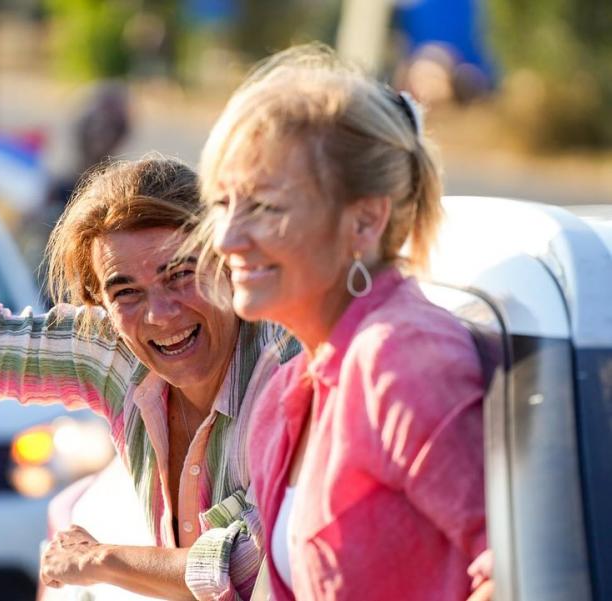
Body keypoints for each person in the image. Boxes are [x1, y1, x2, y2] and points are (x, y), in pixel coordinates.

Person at [0, 154, 297, 600]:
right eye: (126, 291)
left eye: (181, 274)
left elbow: (250, 567)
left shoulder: (290, 370)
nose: (160, 315)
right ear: (97, 301)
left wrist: (98, 560)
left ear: (229, 263)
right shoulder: (110, 350)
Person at [191, 45, 491, 600]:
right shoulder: (293, 386)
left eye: (265, 207)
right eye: (221, 203)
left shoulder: (401, 359)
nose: (227, 239)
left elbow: (521, 573)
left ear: (366, 220)